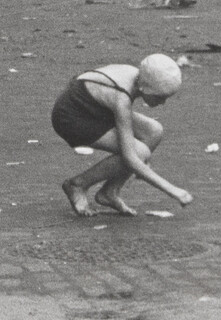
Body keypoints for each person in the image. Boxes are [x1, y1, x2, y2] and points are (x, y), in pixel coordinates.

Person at [53, 53, 195, 217]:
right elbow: (131, 158)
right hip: (71, 117)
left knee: (154, 131)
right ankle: (77, 184)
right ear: (145, 88)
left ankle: (109, 192)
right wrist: (173, 190)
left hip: (96, 107)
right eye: (160, 97)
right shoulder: (121, 98)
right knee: (140, 153)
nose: (162, 103)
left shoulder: (139, 75)